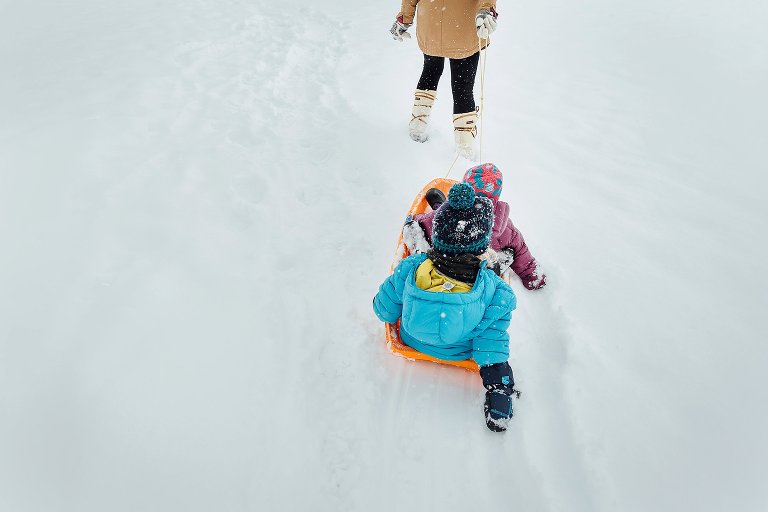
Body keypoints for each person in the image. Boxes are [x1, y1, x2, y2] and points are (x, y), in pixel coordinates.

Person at [374, 182, 519, 432]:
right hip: (460, 350)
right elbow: (490, 344)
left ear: (437, 237)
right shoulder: (497, 292)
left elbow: (383, 310)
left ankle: (420, 236)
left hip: (413, 339)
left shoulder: (410, 268)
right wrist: (500, 388)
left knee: (420, 266)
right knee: (491, 308)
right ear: (483, 246)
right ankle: (500, 398)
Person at [404, 163, 547, 290]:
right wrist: (534, 278)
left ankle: (439, 208)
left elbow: (426, 222)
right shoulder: (506, 228)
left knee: (413, 228)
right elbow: (521, 250)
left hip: (444, 264)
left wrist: (415, 218)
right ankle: (497, 265)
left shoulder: (448, 216)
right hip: (478, 274)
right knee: (509, 253)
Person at [390, 1, 499, 158]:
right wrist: (487, 10)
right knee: (462, 85)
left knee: (430, 71)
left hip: (431, 22)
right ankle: (464, 147)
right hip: (462, 23)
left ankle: (417, 125)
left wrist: (404, 18)